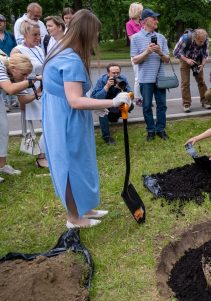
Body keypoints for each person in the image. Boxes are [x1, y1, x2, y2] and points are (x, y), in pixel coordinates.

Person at [42, 9, 131, 228]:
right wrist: (111, 103)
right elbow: (75, 100)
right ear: (86, 33)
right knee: (70, 165)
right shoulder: (70, 59)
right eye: (95, 34)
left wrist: (96, 105)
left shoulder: (63, 50)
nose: (96, 39)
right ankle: (74, 218)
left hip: (66, 115)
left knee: (81, 162)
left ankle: (84, 207)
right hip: (66, 119)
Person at [11, 20, 48, 167]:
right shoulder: (17, 50)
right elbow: (15, 75)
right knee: (44, 125)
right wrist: (21, 98)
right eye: (35, 34)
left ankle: (44, 153)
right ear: (25, 34)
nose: (38, 37)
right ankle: (40, 157)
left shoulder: (39, 49)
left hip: (42, 89)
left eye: (39, 34)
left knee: (48, 124)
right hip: (30, 90)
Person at [130, 8, 170, 141]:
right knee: (147, 106)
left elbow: (167, 60)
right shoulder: (135, 38)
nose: (156, 21)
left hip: (160, 78)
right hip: (145, 79)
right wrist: (147, 52)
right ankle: (150, 130)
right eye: (154, 19)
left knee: (162, 105)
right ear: (145, 21)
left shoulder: (161, 37)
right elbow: (135, 60)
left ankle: (161, 129)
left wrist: (159, 52)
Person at [0, 53, 37, 183]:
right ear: (14, 68)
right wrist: (31, 81)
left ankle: (2, 165)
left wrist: (38, 92)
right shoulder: (0, 63)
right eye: (24, 74)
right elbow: (10, 89)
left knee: (3, 130)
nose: (25, 77)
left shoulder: (16, 75)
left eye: (27, 75)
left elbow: (23, 99)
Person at [91, 63, 132, 145]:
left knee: (130, 106)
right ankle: (106, 136)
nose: (116, 75)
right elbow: (96, 98)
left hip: (116, 103)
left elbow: (130, 94)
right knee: (102, 111)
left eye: (118, 73)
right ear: (108, 73)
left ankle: (114, 117)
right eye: (113, 73)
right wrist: (106, 86)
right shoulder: (101, 80)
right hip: (105, 103)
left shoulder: (122, 79)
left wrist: (122, 89)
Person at [173, 28, 209, 112]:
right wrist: (187, 60)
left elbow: (205, 54)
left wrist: (202, 65)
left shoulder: (205, 39)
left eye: (203, 41)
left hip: (198, 59)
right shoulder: (185, 39)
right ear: (194, 38)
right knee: (185, 82)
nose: (202, 43)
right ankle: (186, 104)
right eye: (200, 41)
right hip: (185, 58)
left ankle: (205, 101)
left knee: (201, 81)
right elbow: (175, 52)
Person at [126, 2, 143, 106]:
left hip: (145, 53)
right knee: (138, 78)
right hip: (136, 54)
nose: (142, 13)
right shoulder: (129, 24)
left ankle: (145, 97)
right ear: (135, 12)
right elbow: (132, 39)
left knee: (145, 78)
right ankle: (137, 99)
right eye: (140, 11)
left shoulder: (142, 23)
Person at [0, 14, 19, 111]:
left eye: (1, 21)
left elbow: (16, 48)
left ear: (4, 23)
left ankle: (13, 100)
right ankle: (4, 103)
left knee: (12, 80)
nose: (0, 23)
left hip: (10, 62)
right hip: (0, 64)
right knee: (2, 83)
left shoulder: (11, 36)